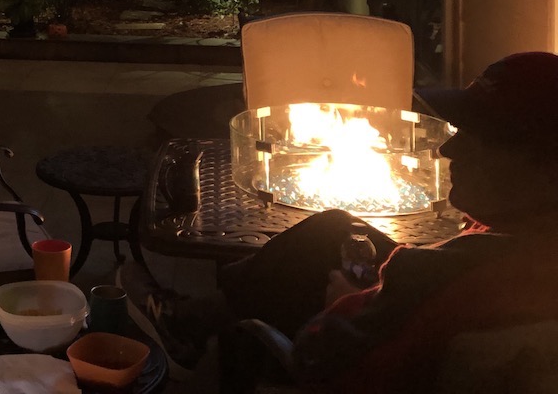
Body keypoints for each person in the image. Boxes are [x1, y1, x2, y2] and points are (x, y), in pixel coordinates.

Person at [128, 51, 558, 391]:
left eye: (476, 141)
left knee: (310, 263)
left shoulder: (432, 277)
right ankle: (195, 316)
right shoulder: (527, 251)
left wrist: (345, 299)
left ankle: (187, 326)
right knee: (331, 228)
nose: (448, 151)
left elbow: (319, 359)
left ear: (541, 168)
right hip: (431, 314)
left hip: (357, 353)